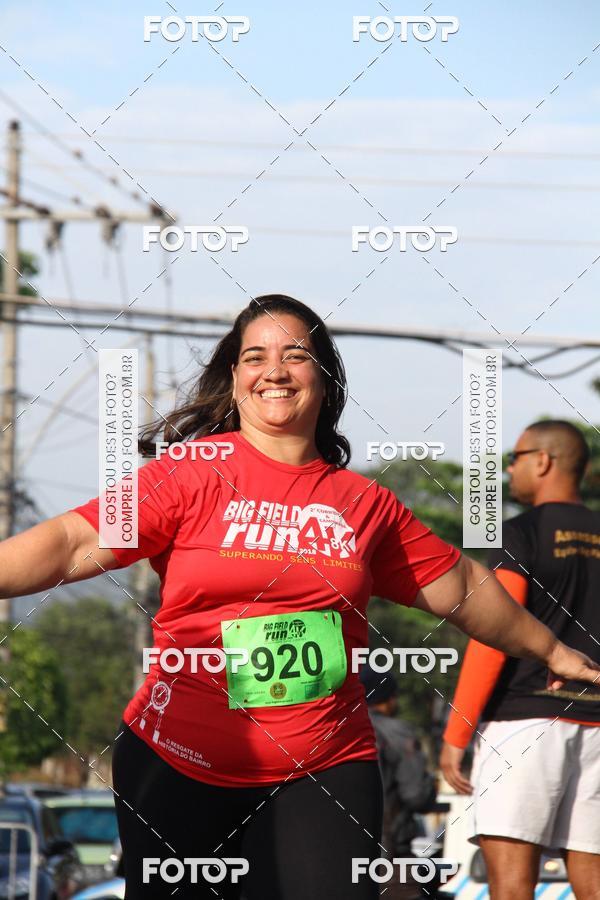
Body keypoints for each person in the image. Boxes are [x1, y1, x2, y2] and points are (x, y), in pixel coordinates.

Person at [0, 298, 598, 900]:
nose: (275, 370)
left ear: (325, 374)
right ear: (235, 378)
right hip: (177, 762)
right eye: (255, 356)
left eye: (296, 355)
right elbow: (72, 540)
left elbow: (463, 587)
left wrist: (551, 647)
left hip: (324, 766)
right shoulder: (187, 475)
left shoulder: (365, 504)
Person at [440, 420, 600, 900]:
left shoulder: (522, 533)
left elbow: (493, 634)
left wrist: (456, 734)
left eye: (515, 458)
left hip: (526, 722)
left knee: (511, 886)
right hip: (598, 725)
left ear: (543, 461)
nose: (509, 470)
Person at [360, 664, 437, 900]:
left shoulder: (339, 731)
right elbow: (416, 796)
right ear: (388, 698)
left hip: (339, 851)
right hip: (390, 856)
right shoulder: (398, 732)